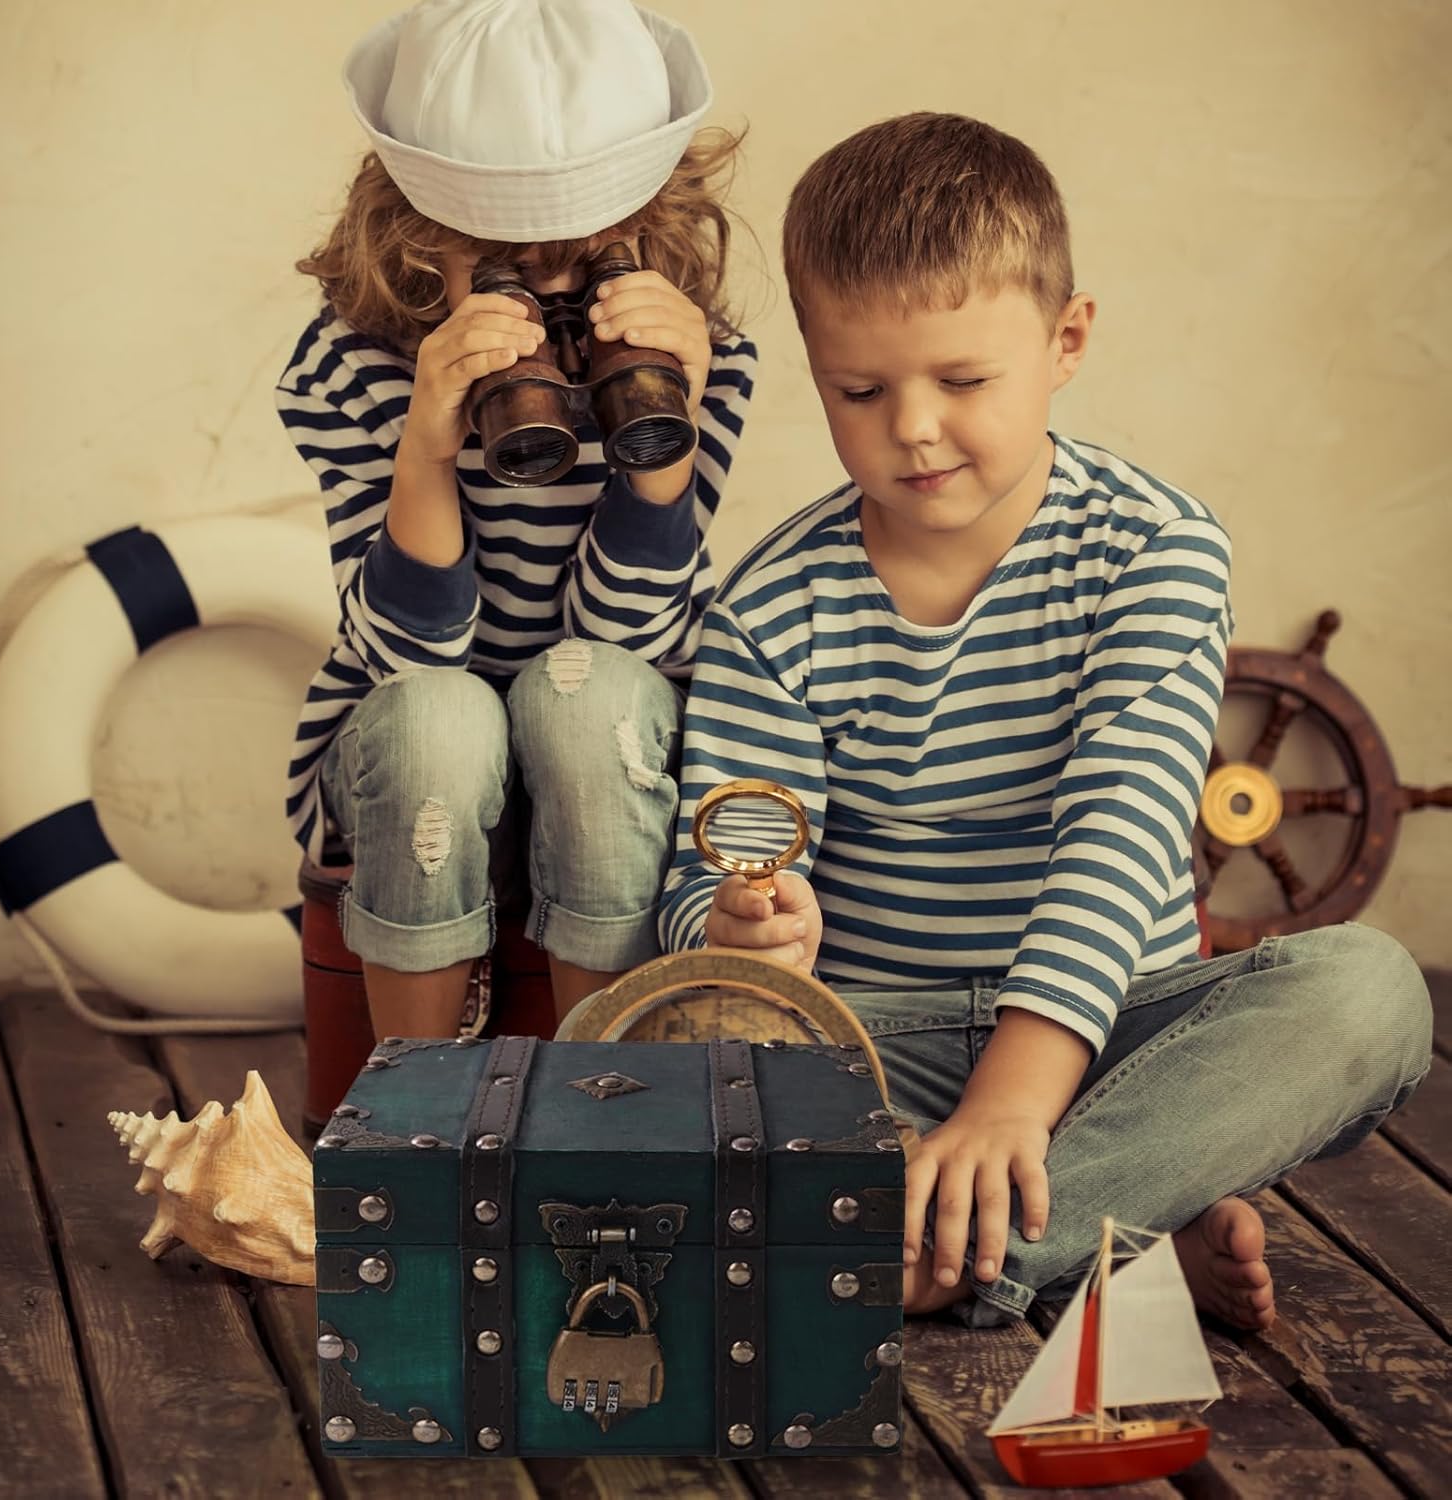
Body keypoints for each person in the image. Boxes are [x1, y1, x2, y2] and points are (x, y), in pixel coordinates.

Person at [656, 113, 1431, 1328]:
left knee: (1369, 995)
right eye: (860, 390)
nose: (913, 427)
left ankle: (987, 1236)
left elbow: (1121, 836)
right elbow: (713, 864)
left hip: (1118, 1030)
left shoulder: (1155, 550)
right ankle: (1121, 1219)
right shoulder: (772, 606)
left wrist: (1015, 1101)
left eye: (963, 380)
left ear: (1066, 340)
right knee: (709, 1085)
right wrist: (745, 924)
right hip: (877, 1049)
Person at [276, 0, 757, 1036]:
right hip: (414, 761)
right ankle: (418, 1106)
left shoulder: (693, 359)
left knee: (587, 699)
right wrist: (427, 443)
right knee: (441, 715)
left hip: (609, 751)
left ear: (653, 223)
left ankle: (606, 1085)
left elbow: (627, 640)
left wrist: (670, 424)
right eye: (503, 265)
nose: (554, 304)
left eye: (591, 258)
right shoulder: (351, 368)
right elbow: (412, 656)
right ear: (415, 241)